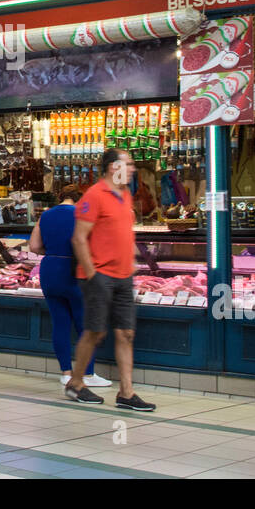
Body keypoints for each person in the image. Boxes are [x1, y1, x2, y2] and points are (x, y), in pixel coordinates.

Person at [64, 148, 155, 413]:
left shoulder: (125, 195)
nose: (133, 169)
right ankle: (76, 383)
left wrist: (132, 261)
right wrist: (92, 273)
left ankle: (126, 392)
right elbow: (79, 238)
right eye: (129, 164)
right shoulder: (93, 196)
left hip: (124, 275)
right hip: (99, 275)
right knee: (96, 331)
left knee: (126, 333)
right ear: (113, 167)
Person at [29, 184, 109, 388]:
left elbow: (34, 246)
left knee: (60, 322)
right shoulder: (83, 214)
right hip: (75, 270)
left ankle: (65, 372)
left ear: (61, 197)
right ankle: (88, 373)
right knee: (85, 324)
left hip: (50, 270)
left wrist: (53, 251)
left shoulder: (45, 215)